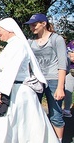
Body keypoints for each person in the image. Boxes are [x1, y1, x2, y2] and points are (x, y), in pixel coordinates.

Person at [0, 18, 59, 143]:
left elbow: (11, 69)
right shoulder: (12, 45)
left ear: (9, 30)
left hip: (16, 90)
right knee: (10, 124)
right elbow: (3, 65)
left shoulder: (18, 45)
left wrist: (0, 91)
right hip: (10, 87)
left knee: (19, 125)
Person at [24, 13, 67, 141]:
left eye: (34, 24)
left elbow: (62, 63)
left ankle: (58, 140)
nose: (32, 28)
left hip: (53, 80)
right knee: (34, 113)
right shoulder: (31, 41)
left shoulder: (56, 39)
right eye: (30, 25)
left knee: (55, 115)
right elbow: (28, 63)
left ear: (44, 23)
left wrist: (60, 87)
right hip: (36, 81)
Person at [62, 40, 74, 117]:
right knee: (68, 90)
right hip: (70, 69)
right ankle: (66, 110)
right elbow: (67, 55)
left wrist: (71, 56)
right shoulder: (71, 43)